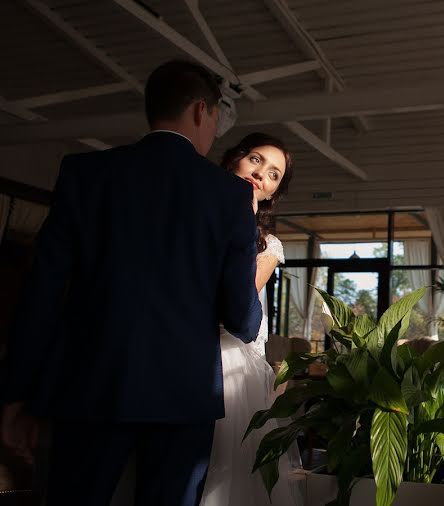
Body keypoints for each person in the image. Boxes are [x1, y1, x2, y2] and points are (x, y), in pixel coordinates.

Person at [0, 60, 262, 506]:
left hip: (91, 388)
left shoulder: (85, 174)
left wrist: (18, 393)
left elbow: (42, 293)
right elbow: (241, 316)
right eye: (216, 118)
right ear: (202, 111)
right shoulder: (230, 195)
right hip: (184, 394)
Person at [199, 133, 300, 506]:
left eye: (274, 174)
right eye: (256, 160)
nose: (262, 175)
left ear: (273, 193)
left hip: (229, 366)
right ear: (234, 160)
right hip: (185, 351)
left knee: (224, 477)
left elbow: (234, 306)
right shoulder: (199, 215)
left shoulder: (268, 245)